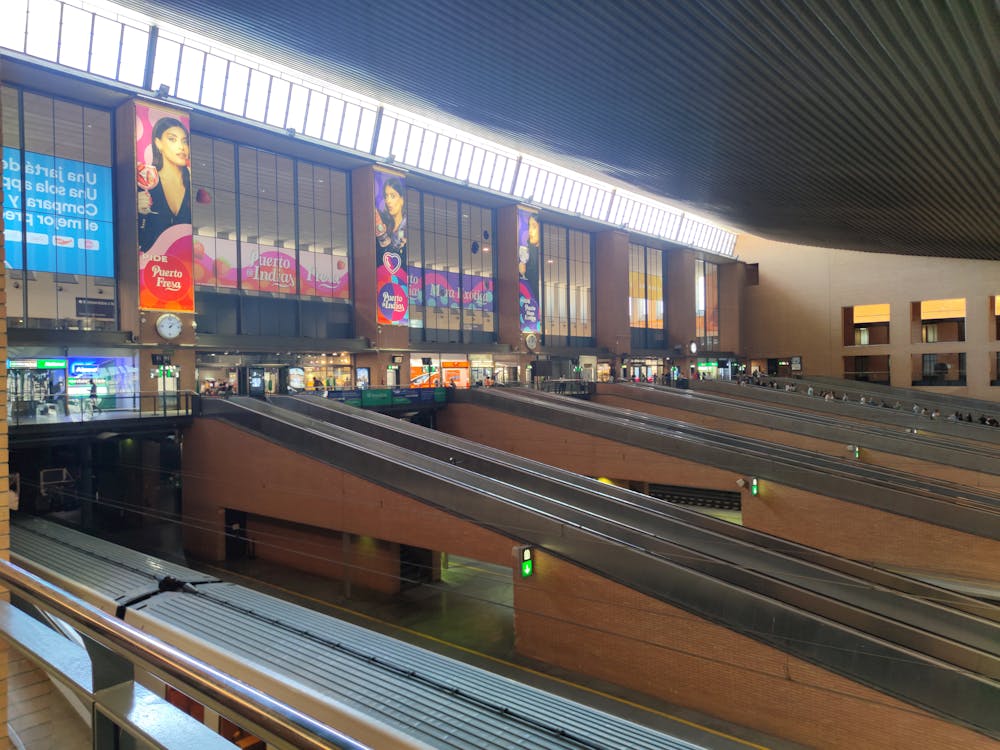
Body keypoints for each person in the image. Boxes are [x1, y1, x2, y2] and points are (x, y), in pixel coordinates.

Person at [138, 117, 191, 253]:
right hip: (150, 266)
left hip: (183, 266)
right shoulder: (147, 182)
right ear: (158, 143)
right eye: (172, 139)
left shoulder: (191, 185)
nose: (181, 147)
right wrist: (139, 213)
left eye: (184, 141)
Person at [375, 176, 407, 253]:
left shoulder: (404, 227)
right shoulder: (387, 224)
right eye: (386, 196)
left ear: (401, 200)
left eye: (393, 196)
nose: (388, 201)